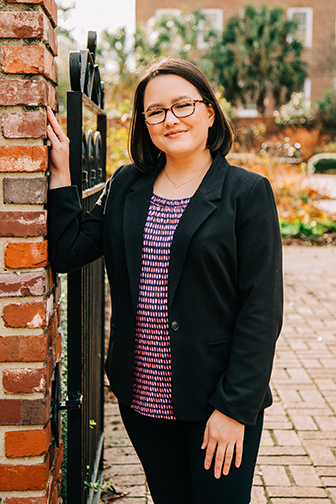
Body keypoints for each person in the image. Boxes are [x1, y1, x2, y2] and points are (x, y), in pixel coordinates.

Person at [47, 58, 283, 504]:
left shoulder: (246, 193)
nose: (170, 119)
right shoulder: (127, 185)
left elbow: (261, 309)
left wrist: (234, 408)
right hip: (143, 398)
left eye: (183, 105)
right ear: (144, 123)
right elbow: (68, 251)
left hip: (217, 400)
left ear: (210, 112)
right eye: (155, 111)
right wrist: (61, 174)